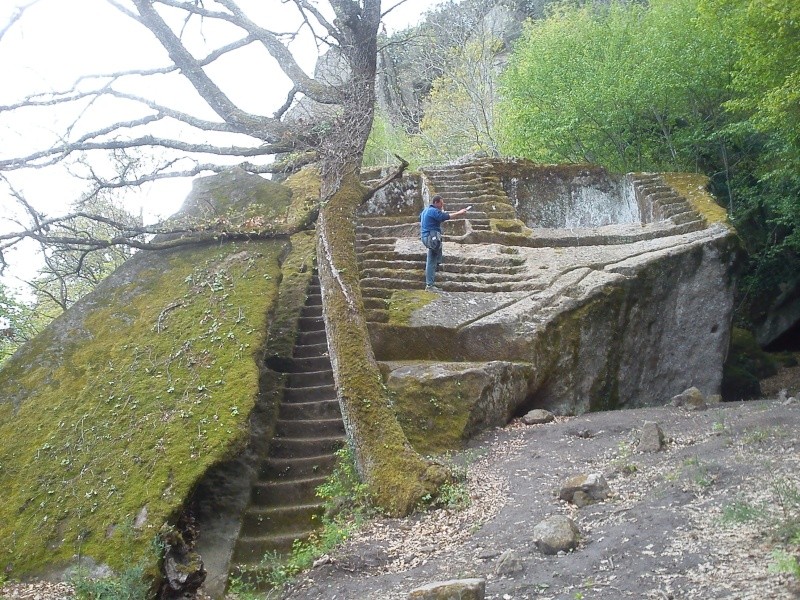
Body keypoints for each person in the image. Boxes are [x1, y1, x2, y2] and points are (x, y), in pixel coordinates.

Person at [420, 195, 469, 291]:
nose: (442, 205)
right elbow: (444, 217)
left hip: (426, 236)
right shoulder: (433, 211)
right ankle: (429, 285)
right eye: (441, 203)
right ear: (436, 203)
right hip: (431, 237)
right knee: (431, 260)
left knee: (439, 247)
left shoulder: (426, 210)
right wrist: (459, 213)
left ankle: (437, 265)